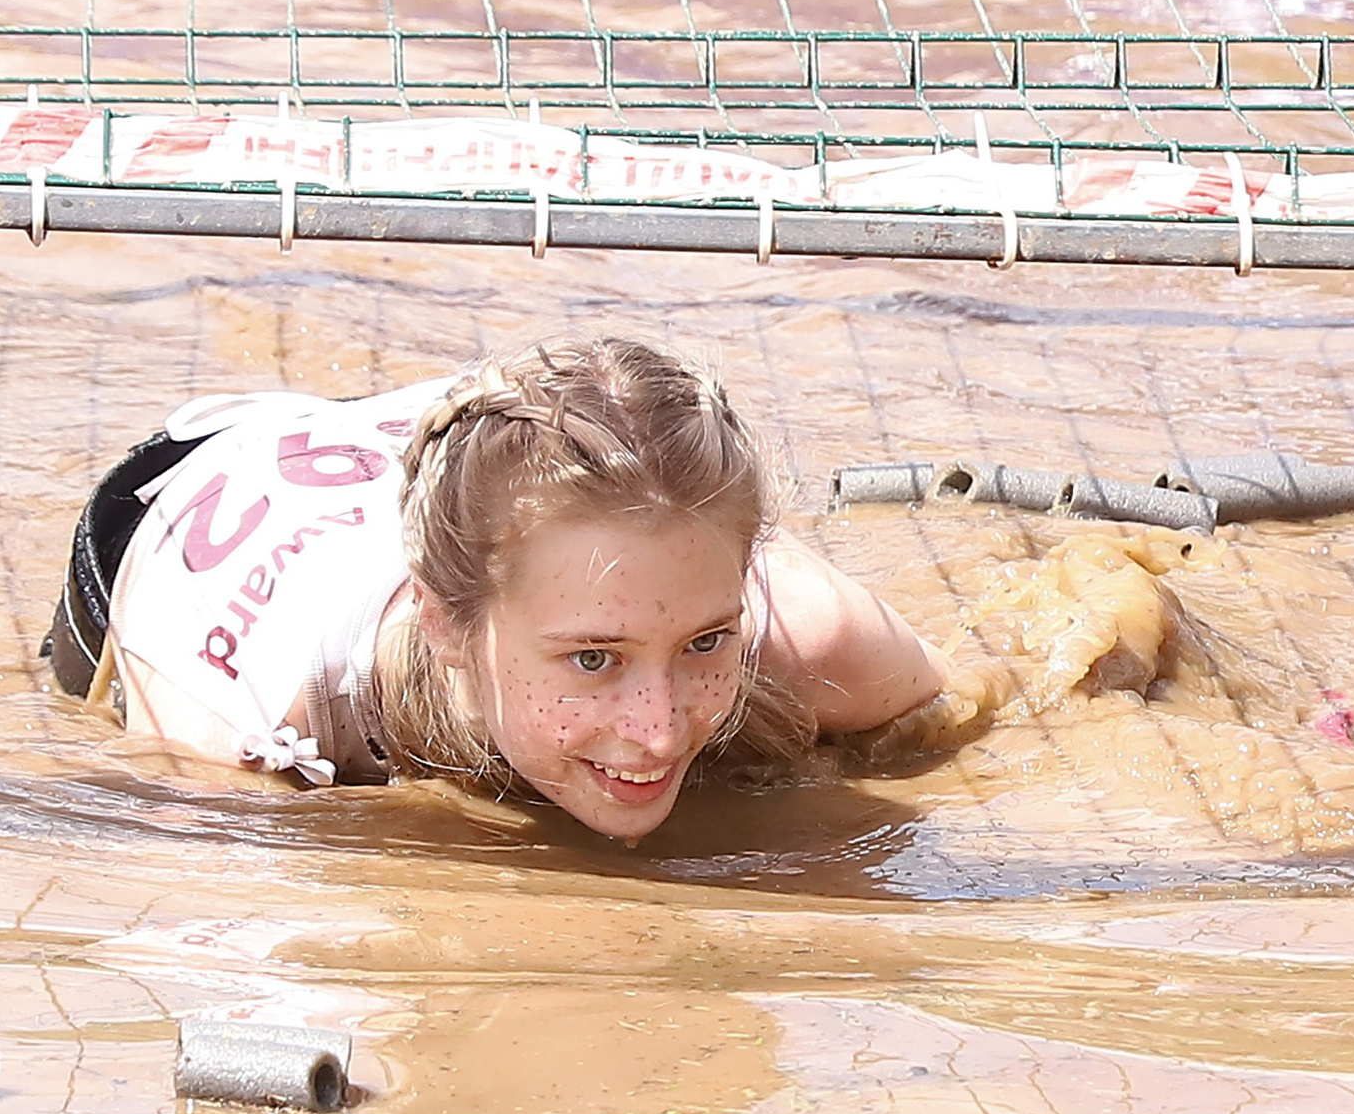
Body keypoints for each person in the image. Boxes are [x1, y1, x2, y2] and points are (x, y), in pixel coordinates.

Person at [46, 336, 945, 843]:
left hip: (479, 455)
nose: (662, 728)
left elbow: (972, 713)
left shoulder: (810, 633)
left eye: (706, 642)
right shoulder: (244, 719)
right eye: (593, 659)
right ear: (443, 627)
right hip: (199, 494)